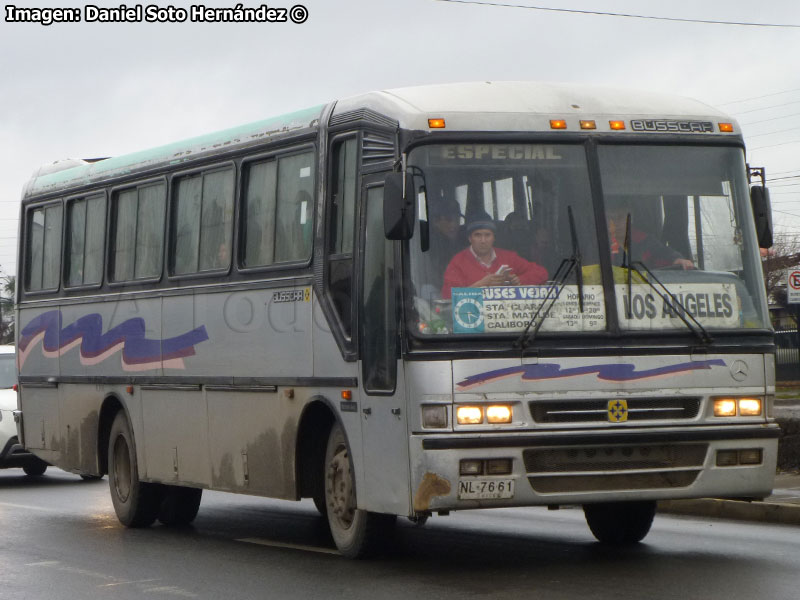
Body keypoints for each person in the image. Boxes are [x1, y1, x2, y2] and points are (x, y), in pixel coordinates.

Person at [441, 212, 548, 299]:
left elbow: (542, 273)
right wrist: (481, 285)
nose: (483, 240)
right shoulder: (458, 262)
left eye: (487, 235)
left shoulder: (509, 257)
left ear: (494, 238)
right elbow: (448, 296)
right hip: (475, 320)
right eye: (477, 235)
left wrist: (520, 281)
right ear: (470, 238)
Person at [606, 201, 694, 270]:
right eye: (611, 218)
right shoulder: (598, 244)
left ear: (630, 218)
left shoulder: (645, 241)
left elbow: (663, 254)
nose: (615, 223)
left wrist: (678, 260)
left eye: (620, 217)